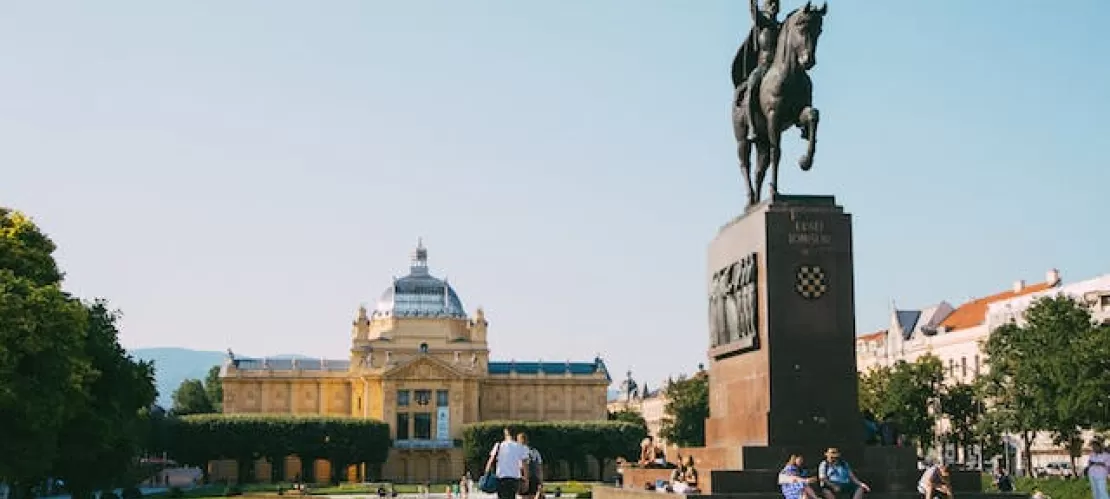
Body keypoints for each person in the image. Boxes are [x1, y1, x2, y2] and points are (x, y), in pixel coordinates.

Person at [739, 0, 781, 141]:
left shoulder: (781, 26)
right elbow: (754, 13)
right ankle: (751, 126)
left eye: (776, 3)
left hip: (778, 68)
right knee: (751, 86)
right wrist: (752, 3)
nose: (774, 6)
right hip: (763, 67)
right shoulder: (763, 22)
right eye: (771, 3)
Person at [485, 426, 531, 499]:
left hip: (501, 478)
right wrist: (526, 479)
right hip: (514, 479)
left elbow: (490, 461)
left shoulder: (499, 445)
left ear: (506, 434)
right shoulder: (520, 447)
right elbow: (525, 464)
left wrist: (486, 474)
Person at [517, 432, 544, 499]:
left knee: (523, 497)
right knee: (533, 496)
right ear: (527, 441)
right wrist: (541, 481)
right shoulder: (535, 451)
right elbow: (539, 467)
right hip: (534, 477)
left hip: (522, 477)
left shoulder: (518, 451)